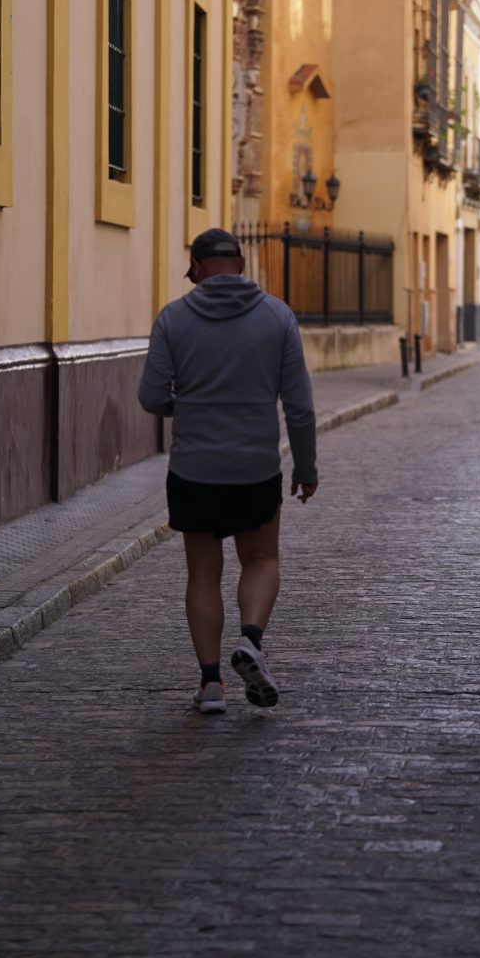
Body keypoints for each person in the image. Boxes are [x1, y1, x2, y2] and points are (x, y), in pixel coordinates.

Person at [138, 228, 318, 715]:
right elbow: (299, 406)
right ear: (240, 264)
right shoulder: (277, 316)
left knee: (202, 573)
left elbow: (152, 397)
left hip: (194, 468)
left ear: (196, 268)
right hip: (255, 466)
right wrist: (305, 466)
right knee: (261, 559)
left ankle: (211, 683)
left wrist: (192, 404)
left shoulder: (173, 319)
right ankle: (252, 640)